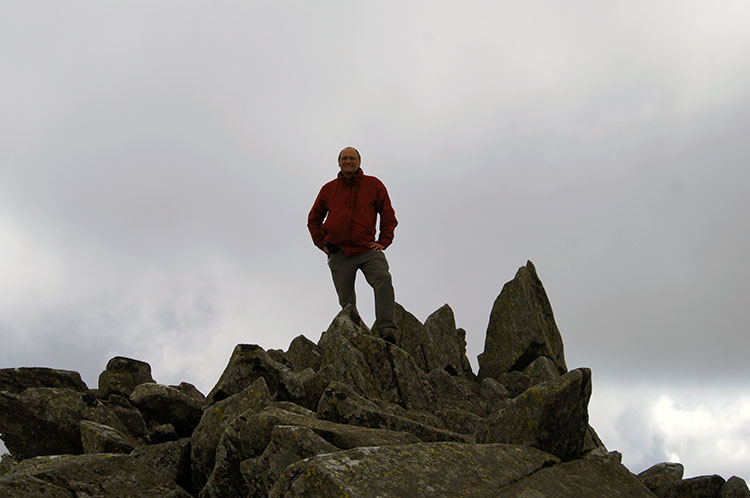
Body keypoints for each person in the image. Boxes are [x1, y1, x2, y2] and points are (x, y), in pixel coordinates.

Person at [307, 146, 398, 341]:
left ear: (359, 162)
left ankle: (387, 330)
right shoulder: (328, 189)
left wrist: (384, 241)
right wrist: (322, 243)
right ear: (339, 163)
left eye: (352, 158)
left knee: (383, 279)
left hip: (367, 249)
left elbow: (388, 215)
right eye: (345, 158)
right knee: (347, 302)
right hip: (338, 252)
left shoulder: (374, 185)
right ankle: (356, 335)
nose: (348, 161)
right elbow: (313, 219)